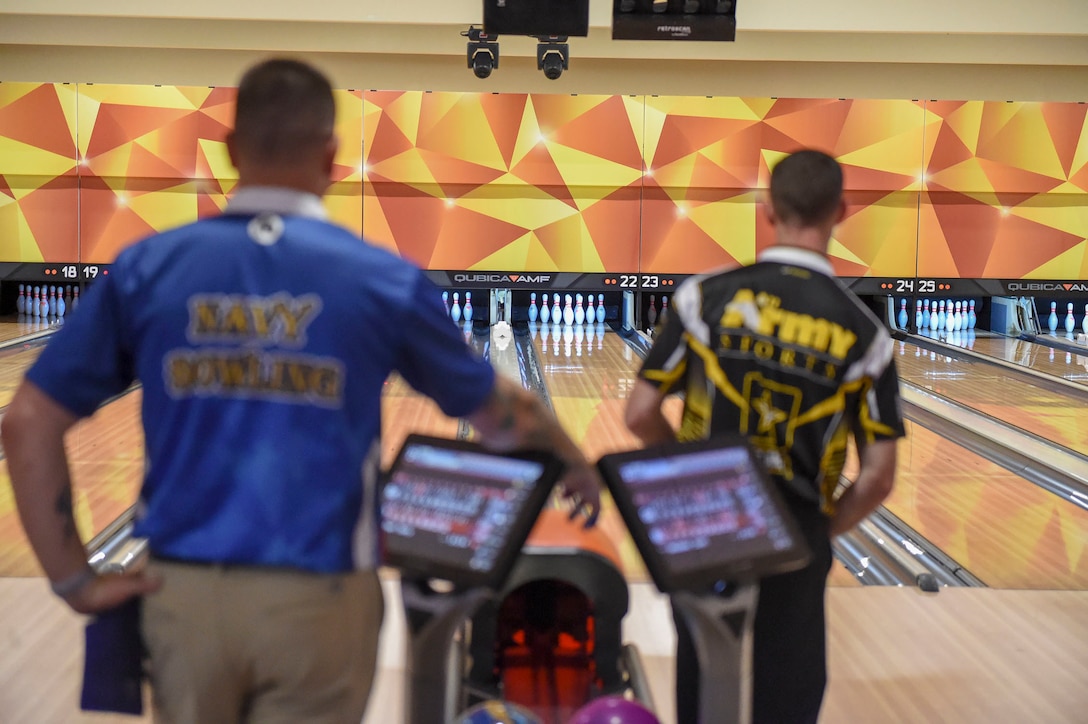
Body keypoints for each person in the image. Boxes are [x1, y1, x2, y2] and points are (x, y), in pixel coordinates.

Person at [2, 57, 601, 724]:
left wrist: (74, 578)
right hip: (320, 601)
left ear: (229, 150)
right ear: (333, 154)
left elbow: (27, 421)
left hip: (183, 594)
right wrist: (572, 458)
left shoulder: (147, 268)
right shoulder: (380, 278)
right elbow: (499, 416)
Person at [624, 149, 904, 724]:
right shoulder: (866, 334)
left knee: (705, 675)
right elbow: (877, 478)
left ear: (767, 209)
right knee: (790, 691)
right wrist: (815, 531)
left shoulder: (703, 298)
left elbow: (639, 415)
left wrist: (687, 481)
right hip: (797, 529)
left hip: (709, 517)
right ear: (842, 211)